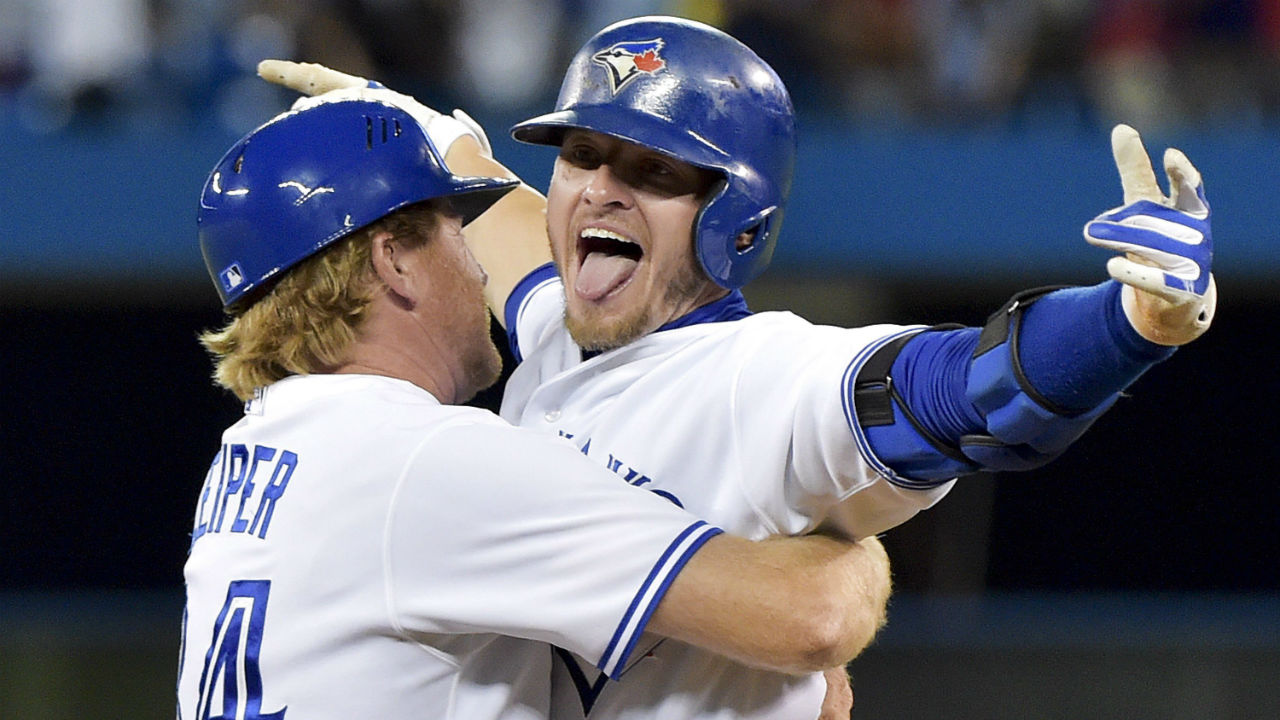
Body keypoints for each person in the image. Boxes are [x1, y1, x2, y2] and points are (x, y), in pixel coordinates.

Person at [259, 13, 1216, 719]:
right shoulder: (561, 329)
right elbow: (515, 216)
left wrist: (1130, 325)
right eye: (582, 154)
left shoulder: (768, 380)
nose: (599, 187)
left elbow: (966, 392)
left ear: (739, 220)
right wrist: (409, 129)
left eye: (653, 171)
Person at [178, 91, 896, 720]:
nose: (483, 263)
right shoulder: (431, 463)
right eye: (457, 227)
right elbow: (813, 620)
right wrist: (846, 540)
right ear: (393, 260)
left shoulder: (253, 457)